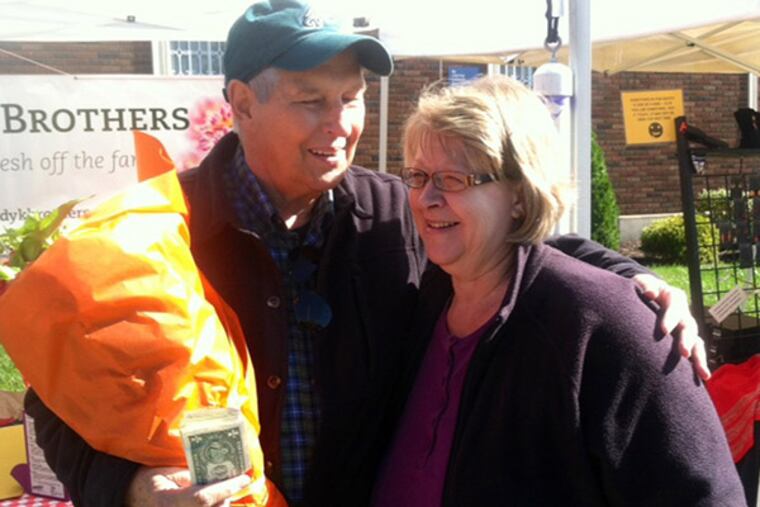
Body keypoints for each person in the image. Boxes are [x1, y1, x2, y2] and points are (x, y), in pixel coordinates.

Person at [24, 1, 709, 506]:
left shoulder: (397, 212)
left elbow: (519, 230)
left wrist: (638, 278)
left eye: (351, 98)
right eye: (311, 99)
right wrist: (130, 489)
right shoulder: (151, 231)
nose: (342, 124)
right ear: (240, 103)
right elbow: (55, 398)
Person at [371, 75, 745, 506]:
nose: (426, 198)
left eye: (453, 179)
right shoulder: (426, 296)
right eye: (418, 176)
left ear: (519, 193)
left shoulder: (609, 329)